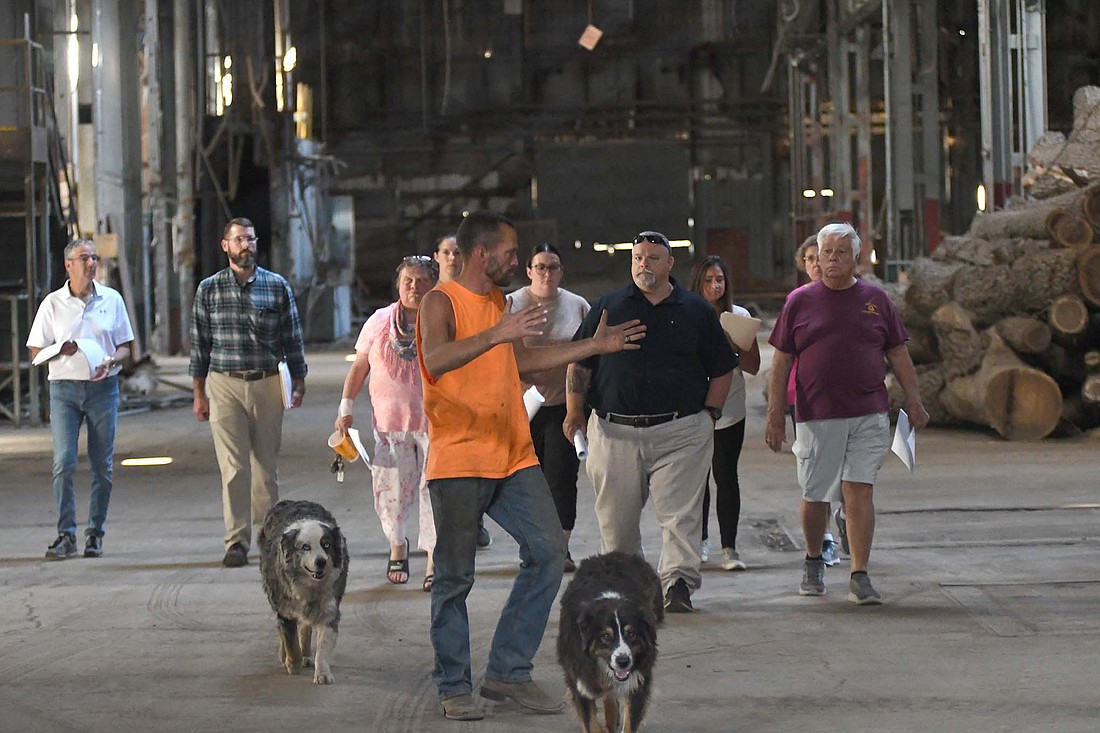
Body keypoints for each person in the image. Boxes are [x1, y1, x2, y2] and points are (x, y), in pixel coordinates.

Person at [416, 210, 645, 721]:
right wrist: (496, 334)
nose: (515, 261)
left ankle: (507, 672)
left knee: (547, 553)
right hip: (458, 457)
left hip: (512, 453)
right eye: (510, 252)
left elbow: (520, 363)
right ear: (483, 254)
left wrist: (594, 346)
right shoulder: (440, 300)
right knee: (454, 578)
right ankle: (454, 684)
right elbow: (435, 361)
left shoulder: (499, 303)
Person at [564, 231, 737, 614]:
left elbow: (723, 368)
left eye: (653, 258)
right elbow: (579, 361)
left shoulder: (695, 310)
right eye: (638, 257)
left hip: (681, 432)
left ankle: (677, 584)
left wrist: (710, 415)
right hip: (614, 431)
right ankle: (629, 586)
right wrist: (574, 411)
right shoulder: (608, 307)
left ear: (670, 264)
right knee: (616, 518)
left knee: (680, 515)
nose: (644, 264)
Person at [765, 222, 929, 605]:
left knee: (859, 489)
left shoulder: (877, 300)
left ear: (857, 257)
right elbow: (781, 361)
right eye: (826, 252)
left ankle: (860, 573)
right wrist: (775, 414)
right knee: (816, 495)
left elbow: (898, 354)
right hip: (816, 414)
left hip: (868, 411)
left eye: (841, 252)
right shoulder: (800, 302)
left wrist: (915, 400)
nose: (833, 259)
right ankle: (812, 558)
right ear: (816, 258)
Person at [190, 217, 307, 568]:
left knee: (265, 468)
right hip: (224, 383)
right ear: (225, 245)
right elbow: (200, 345)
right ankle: (236, 541)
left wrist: (299, 379)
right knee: (233, 467)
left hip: (268, 381)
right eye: (239, 239)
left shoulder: (276, 286)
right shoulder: (208, 290)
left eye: (251, 239)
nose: (246, 245)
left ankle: (269, 539)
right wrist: (199, 393)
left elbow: (292, 335)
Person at [27, 239, 135, 560]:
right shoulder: (52, 304)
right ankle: (66, 534)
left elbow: (126, 347)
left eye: (94, 258)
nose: (91, 263)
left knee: (102, 466)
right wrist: (61, 348)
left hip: (103, 389)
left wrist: (111, 361)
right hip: (64, 389)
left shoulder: (112, 300)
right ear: (68, 265)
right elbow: (35, 351)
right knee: (64, 463)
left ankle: (95, 534)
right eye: (83, 258)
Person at [336, 256, 438, 590]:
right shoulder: (378, 322)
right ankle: (398, 544)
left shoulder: (442, 320)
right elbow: (359, 367)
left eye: (422, 280)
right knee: (389, 492)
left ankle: (435, 559)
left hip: (435, 424)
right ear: (398, 285)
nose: (414, 287)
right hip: (389, 425)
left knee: (434, 492)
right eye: (408, 280)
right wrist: (345, 406)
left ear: (433, 285)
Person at [508, 243, 591, 572]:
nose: (546, 273)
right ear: (528, 271)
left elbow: (589, 354)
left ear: (561, 271)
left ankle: (560, 547)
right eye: (540, 267)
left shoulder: (577, 305)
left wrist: (582, 407)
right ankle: (532, 545)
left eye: (552, 267)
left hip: (563, 405)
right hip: (521, 407)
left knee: (561, 477)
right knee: (526, 480)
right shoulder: (512, 304)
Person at [689, 255, 760, 572]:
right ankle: (699, 541)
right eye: (708, 280)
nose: (715, 286)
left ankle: (729, 547)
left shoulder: (739, 315)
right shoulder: (687, 314)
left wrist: (734, 348)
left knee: (725, 475)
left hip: (730, 409)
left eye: (719, 280)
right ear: (697, 283)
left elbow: (754, 365)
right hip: (693, 408)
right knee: (695, 480)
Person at [434, 231, 492, 551]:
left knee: (475, 463)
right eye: (448, 253)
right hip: (438, 397)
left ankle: (475, 521)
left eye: (459, 253)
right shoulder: (430, 300)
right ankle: (448, 531)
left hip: (472, 393)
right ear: (437, 257)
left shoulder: (477, 298)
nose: (454, 259)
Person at [791, 235, 842, 566]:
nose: (814, 264)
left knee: (850, 476)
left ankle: (848, 517)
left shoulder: (852, 297)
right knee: (816, 478)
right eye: (808, 259)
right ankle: (824, 538)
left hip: (850, 402)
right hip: (808, 402)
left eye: (818, 257)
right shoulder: (798, 301)